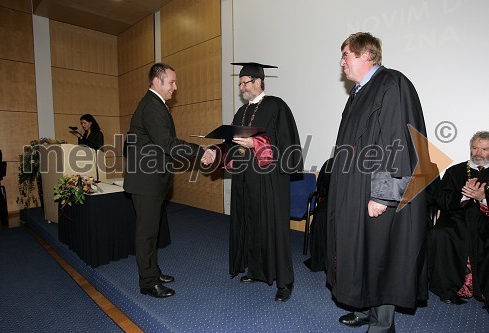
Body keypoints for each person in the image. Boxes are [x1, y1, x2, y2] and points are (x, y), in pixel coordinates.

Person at [325, 32, 429, 332]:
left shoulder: (391, 84)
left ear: (365, 55)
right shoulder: (360, 92)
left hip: (377, 191)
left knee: (382, 253)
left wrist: (383, 196)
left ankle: (382, 324)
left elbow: (396, 140)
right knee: (363, 251)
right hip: (356, 189)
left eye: (346, 55)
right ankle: (365, 307)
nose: (342, 62)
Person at [202, 62, 303, 302]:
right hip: (245, 180)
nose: (241, 88)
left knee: (273, 229)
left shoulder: (277, 106)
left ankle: (284, 282)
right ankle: (257, 271)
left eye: (244, 82)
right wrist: (213, 153)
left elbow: (289, 149)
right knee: (251, 225)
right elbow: (230, 146)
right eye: (239, 84)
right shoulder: (241, 112)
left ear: (258, 81)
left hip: (269, 182)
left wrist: (256, 144)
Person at [123, 63, 204, 299]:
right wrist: (200, 152)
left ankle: (153, 272)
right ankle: (148, 282)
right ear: (157, 82)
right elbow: (168, 143)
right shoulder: (152, 106)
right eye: (172, 82)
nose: (175, 87)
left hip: (152, 179)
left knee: (152, 230)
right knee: (146, 233)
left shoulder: (156, 104)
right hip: (146, 181)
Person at [429, 131, 489, 312]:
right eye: (474, 148)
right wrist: (462, 195)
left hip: (485, 220)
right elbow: (441, 199)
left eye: (484, 149)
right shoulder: (455, 171)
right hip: (457, 218)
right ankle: (448, 290)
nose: (477, 153)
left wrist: (483, 198)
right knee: (439, 234)